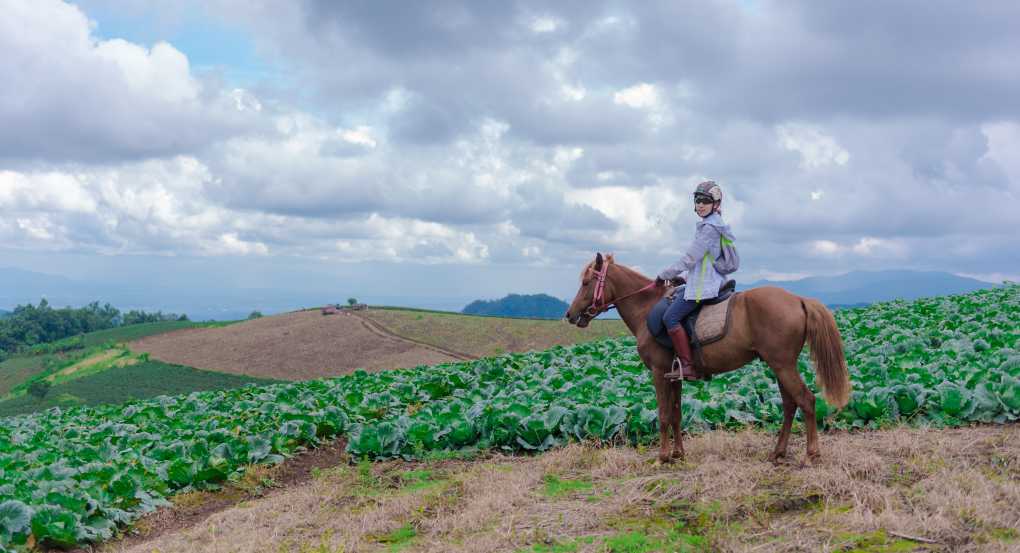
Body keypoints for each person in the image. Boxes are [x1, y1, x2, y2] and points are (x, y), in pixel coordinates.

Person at [654, 180, 736, 381]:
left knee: (670, 318)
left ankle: (688, 366)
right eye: (698, 200)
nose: (700, 205)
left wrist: (663, 275)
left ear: (715, 204)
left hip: (703, 288)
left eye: (705, 201)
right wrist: (683, 278)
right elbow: (704, 262)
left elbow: (690, 258)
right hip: (706, 280)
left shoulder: (709, 228)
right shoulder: (714, 225)